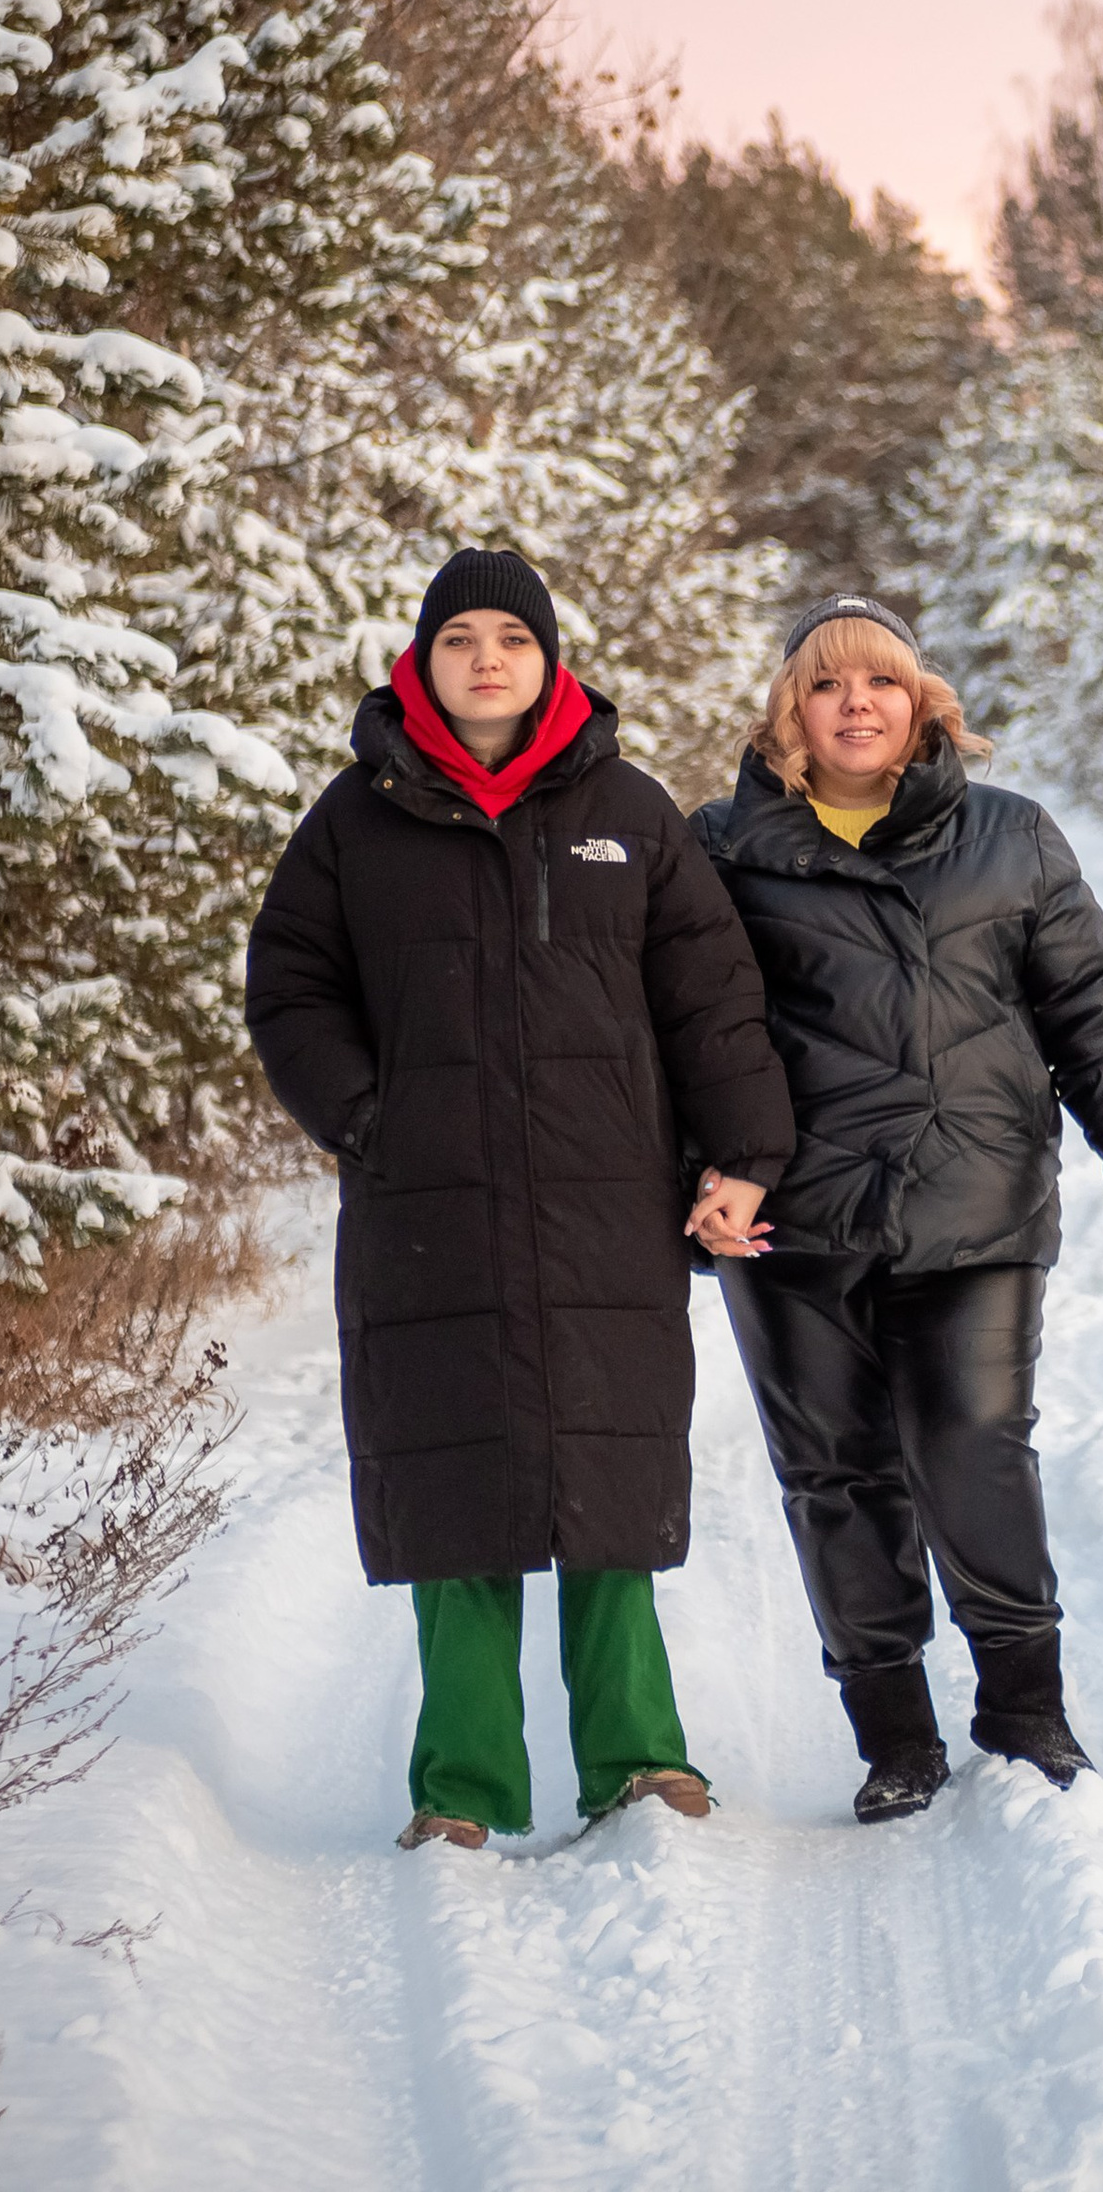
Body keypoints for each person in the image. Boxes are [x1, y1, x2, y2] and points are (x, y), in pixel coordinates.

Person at [246, 549, 794, 1850]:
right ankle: (464, 1788)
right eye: (459, 638)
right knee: (457, 1493)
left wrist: (746, 1151)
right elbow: (292, 989)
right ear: (420, 661)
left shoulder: (632, 813)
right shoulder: (354, 819)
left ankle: (640, 1761)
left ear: (551, 660)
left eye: (512, 636)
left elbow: (712, 1000)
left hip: (609, 1197)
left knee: (608, 1483)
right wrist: (370, 1121)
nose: (487, 657)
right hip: (428, 1203)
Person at [693, 594, 1103, 1825]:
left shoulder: (1011, 839)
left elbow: (1095, 1019)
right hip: (793, 1221)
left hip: (970, 1201)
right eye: (826, 686)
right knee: (835, 1474)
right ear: (789, 713)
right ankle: (895, 1738)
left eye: (880, 681)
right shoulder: (716, 847)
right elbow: (678, 1033)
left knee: (975, 1451)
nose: (856, 703)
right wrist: (693, 1178)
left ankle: (1025, 1711)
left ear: (923, 703)